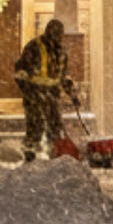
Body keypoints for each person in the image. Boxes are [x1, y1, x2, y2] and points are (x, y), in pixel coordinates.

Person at [13, 18, 72, 161]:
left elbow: (62, 76)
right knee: (36, 123)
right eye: (55, 33)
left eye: (59, 34)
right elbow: (20, 71)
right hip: (33, 92)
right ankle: (29, 154)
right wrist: (28, 87)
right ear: (48, 32)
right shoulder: (34, 46)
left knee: (56, 124)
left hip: (51, 93)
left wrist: (70, 91)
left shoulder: (62, 52)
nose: (58, 36)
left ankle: (56, 154)